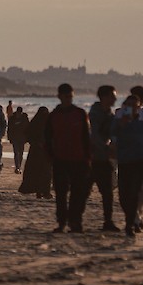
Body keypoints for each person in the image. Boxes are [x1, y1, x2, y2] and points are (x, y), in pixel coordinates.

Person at [45, 84, 92, 233]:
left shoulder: (80, 113)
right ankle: (61, 222)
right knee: (60, 193)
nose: (69, 99)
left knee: (78, 193)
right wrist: (51, 156)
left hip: (79, 159)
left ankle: (75, 221)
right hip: (60, 159)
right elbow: (47, 137)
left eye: (71, 96)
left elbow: (86, 136)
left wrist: (88, 157)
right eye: (66, 96)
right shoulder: (53, 115)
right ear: (59, 96)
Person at [112, 96, 143, 236]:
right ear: (124, 106)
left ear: (139, 107)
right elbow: (110, 135)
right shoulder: (118, 123)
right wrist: (120, 123)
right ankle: (133, 219)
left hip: (139, 162)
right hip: (124, 163)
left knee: (134, 194)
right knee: (123, 196)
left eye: (134, 105)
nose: (131, 107)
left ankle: (130, 224)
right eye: (128, 105)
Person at [87, 86, 120, 232]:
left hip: (104, 158)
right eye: (112, 96)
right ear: (104, 97)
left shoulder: (110, 115)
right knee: (83, 192)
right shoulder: (95, 114)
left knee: (107, 193)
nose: (115, 99)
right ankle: (75, 222)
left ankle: (108, 222)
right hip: (91, 158)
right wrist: (107, 148)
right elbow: (94, 136)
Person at [18, 106, 52, 199]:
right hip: (40, 151)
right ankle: (43, 192)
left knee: (41, 172)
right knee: (43, 172)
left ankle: (43, 192)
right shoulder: (47, 123)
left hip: (39, 151)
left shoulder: (37, 122)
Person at [7, 106, 29, 173]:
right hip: (15, 138)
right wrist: (9, 138)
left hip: (22, 139)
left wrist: (27, 138)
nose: (19, 114)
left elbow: (28, 128)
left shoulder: (24, 118)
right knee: (16, 153)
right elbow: (9, 129)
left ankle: (19, 166)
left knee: (21, 153)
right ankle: (17, 167)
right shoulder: (12, 118)